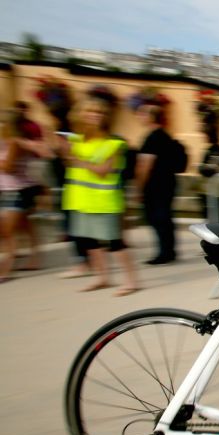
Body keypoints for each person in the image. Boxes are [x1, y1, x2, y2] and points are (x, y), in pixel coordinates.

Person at [59, 98, 139, 296]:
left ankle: (131, 281)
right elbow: (66, 162)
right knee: (89, 243)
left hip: (105, 201)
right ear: (81, 115)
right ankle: (102, 278)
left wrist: (77, 160)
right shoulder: (75, 140)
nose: (96, 116)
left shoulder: (114, 143)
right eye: (91, 112)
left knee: (115, 244)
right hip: (80, 200)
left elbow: (104, 170)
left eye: (100, 113)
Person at [0, 110, 46, 282]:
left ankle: (6, 270)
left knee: (7, 232)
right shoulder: (9, 141)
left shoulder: (14, 142)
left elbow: (8, 168)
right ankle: (35, 258)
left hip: (16, 191)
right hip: (15, 189)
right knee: (25, 226)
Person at [135, 104, 179, 264]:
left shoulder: (152, 138)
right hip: (168, 183)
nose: (139, 117)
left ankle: (165, 252)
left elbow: (145, 165)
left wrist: (139, 187)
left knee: (157, 218)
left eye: (142, 114)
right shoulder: (165, 136)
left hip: (155, 185)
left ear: (151, 117)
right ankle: (169, 250)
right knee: (165, 217)